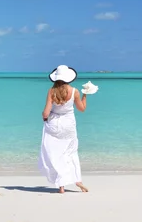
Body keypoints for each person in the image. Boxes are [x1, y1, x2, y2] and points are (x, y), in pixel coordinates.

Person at [38, 65, 89, 193]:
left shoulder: (52, 91)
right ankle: (78, 180)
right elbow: (82, 109)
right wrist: (85, 95)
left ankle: (61, 186)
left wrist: (44, 118)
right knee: (71, 152)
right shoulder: (74, 91)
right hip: (69, 124)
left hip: (54, 123)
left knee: (56, 154)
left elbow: (46, 112)